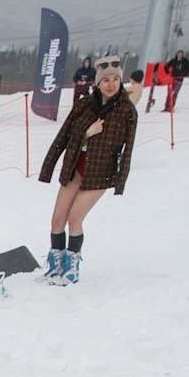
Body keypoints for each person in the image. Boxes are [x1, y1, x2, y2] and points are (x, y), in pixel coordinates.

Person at [37, 54, 135, 286]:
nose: (111, 84)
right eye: (106, 80)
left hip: (99, 175)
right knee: (57, 219)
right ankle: (55, 265)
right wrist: (86, 134)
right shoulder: (83, 105)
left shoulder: (126, 111)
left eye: (115, 79)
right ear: (97, 83)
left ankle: (71, 269)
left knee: (74, 219)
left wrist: (120, 182)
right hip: (75, 168)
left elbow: (128, 150)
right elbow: (64, 137)